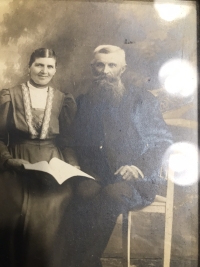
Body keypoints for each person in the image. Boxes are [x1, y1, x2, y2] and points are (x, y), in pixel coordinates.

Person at [72, 45, 173, 267]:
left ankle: (83, 262)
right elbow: (77, 143)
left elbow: (163, 141)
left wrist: (138, 166)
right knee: (79, 193)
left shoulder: (142, 100)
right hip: (97, 176)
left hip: (136, 179)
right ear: (92, 67)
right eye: (100, 65)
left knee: (111, 196)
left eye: (112, 65)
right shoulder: (83, 101)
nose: (105, 71)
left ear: (122, 69)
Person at [0, 48, 78, 267]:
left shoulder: (63, 100)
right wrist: (8, 160)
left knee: (58, 201)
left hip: (52, 162)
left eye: (49, 66)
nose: (44, 71)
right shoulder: (10, 95)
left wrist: (72, 164)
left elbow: (68, 141)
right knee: (12, 205)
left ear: (55, 70)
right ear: (29, 67)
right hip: (17, 161)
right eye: (39, 65)